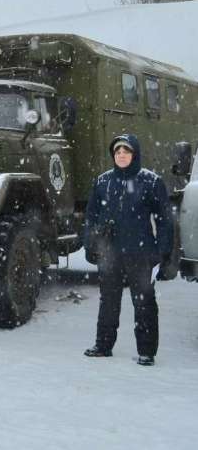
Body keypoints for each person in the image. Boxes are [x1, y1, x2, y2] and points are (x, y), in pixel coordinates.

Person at [82, 134, 173, 367]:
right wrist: (91, 244)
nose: (121, 155)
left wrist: (162, 252)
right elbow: (91, 216)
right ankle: (103, 345)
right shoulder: (103, 181)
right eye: (117, 152)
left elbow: (164, 220)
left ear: (135, 154)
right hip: (110, 253)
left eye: (126, 151)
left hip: (140, 253)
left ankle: (146, 351)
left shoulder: (151, 181)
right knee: (108, 301)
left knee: (144, 302)